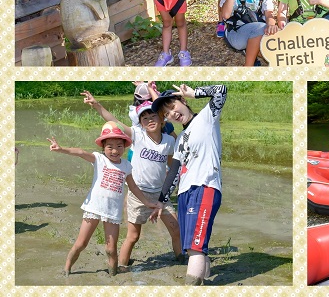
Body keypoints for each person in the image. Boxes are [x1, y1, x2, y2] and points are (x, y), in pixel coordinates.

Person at [80, 90, 182, 270]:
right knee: (133, 236)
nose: (149, 120)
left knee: (176, 229)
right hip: (138, 193)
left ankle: (182, 261)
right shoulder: (137, 135)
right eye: (144, 119)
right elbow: (114, 122)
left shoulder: (168, 141)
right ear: (140, 123)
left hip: (160, 195)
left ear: (162, 119)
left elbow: (172, 166)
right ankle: (121, 266)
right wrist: (97, 105)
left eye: (153, 116)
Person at [48, 122, 158, 276]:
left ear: (124, 147)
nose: (115, 150)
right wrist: (61, 149)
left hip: (112, 212)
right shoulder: (99, 159)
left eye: (119, 146)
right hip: (94, 208)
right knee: (81, 244)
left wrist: (147, 202)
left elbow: (133, 187)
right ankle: (67, 268)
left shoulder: (126, 165)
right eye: (110, 147)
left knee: (111, 249)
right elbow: (80, 152)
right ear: (103, 147)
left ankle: (113, 274)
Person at [150, 83, 227, 286]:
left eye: (172, 107)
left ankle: (190, 286)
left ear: (182, 101)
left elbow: (221, 90)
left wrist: (195, 93)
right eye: (166, 114)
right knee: (192, 245)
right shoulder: (180, 139)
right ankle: (204, 280)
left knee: (195, 247)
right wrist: (160, 202)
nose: (171, 114)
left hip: (205, 187)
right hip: (184, 193)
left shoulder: (206, 117)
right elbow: (174, 172)